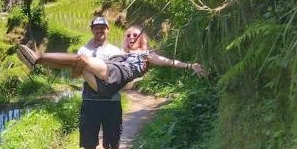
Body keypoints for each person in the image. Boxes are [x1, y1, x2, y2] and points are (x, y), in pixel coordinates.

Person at [15, 41, 205, 97]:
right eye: (128, 35)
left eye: (134, 36)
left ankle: (38, 57)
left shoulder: (147, 55)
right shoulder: (124, 53)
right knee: (77, 63)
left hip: (114, 76)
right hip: (105, 88)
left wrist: (190, 66)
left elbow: (166, 61)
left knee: (80, 59)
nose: (131, 38)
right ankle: (36, 62)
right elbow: (74, 75)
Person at [72, 17, 126, 149]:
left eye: (103, 27)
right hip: (90, 100)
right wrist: (80, 66)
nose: (99, 30)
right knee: (88, 137)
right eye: (96, 27)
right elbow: (73, 75)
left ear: (108, 29)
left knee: (113, 137)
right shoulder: (83, 51)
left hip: (112, 101)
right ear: (91, 30)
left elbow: (119, 77)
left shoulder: (115, 51)